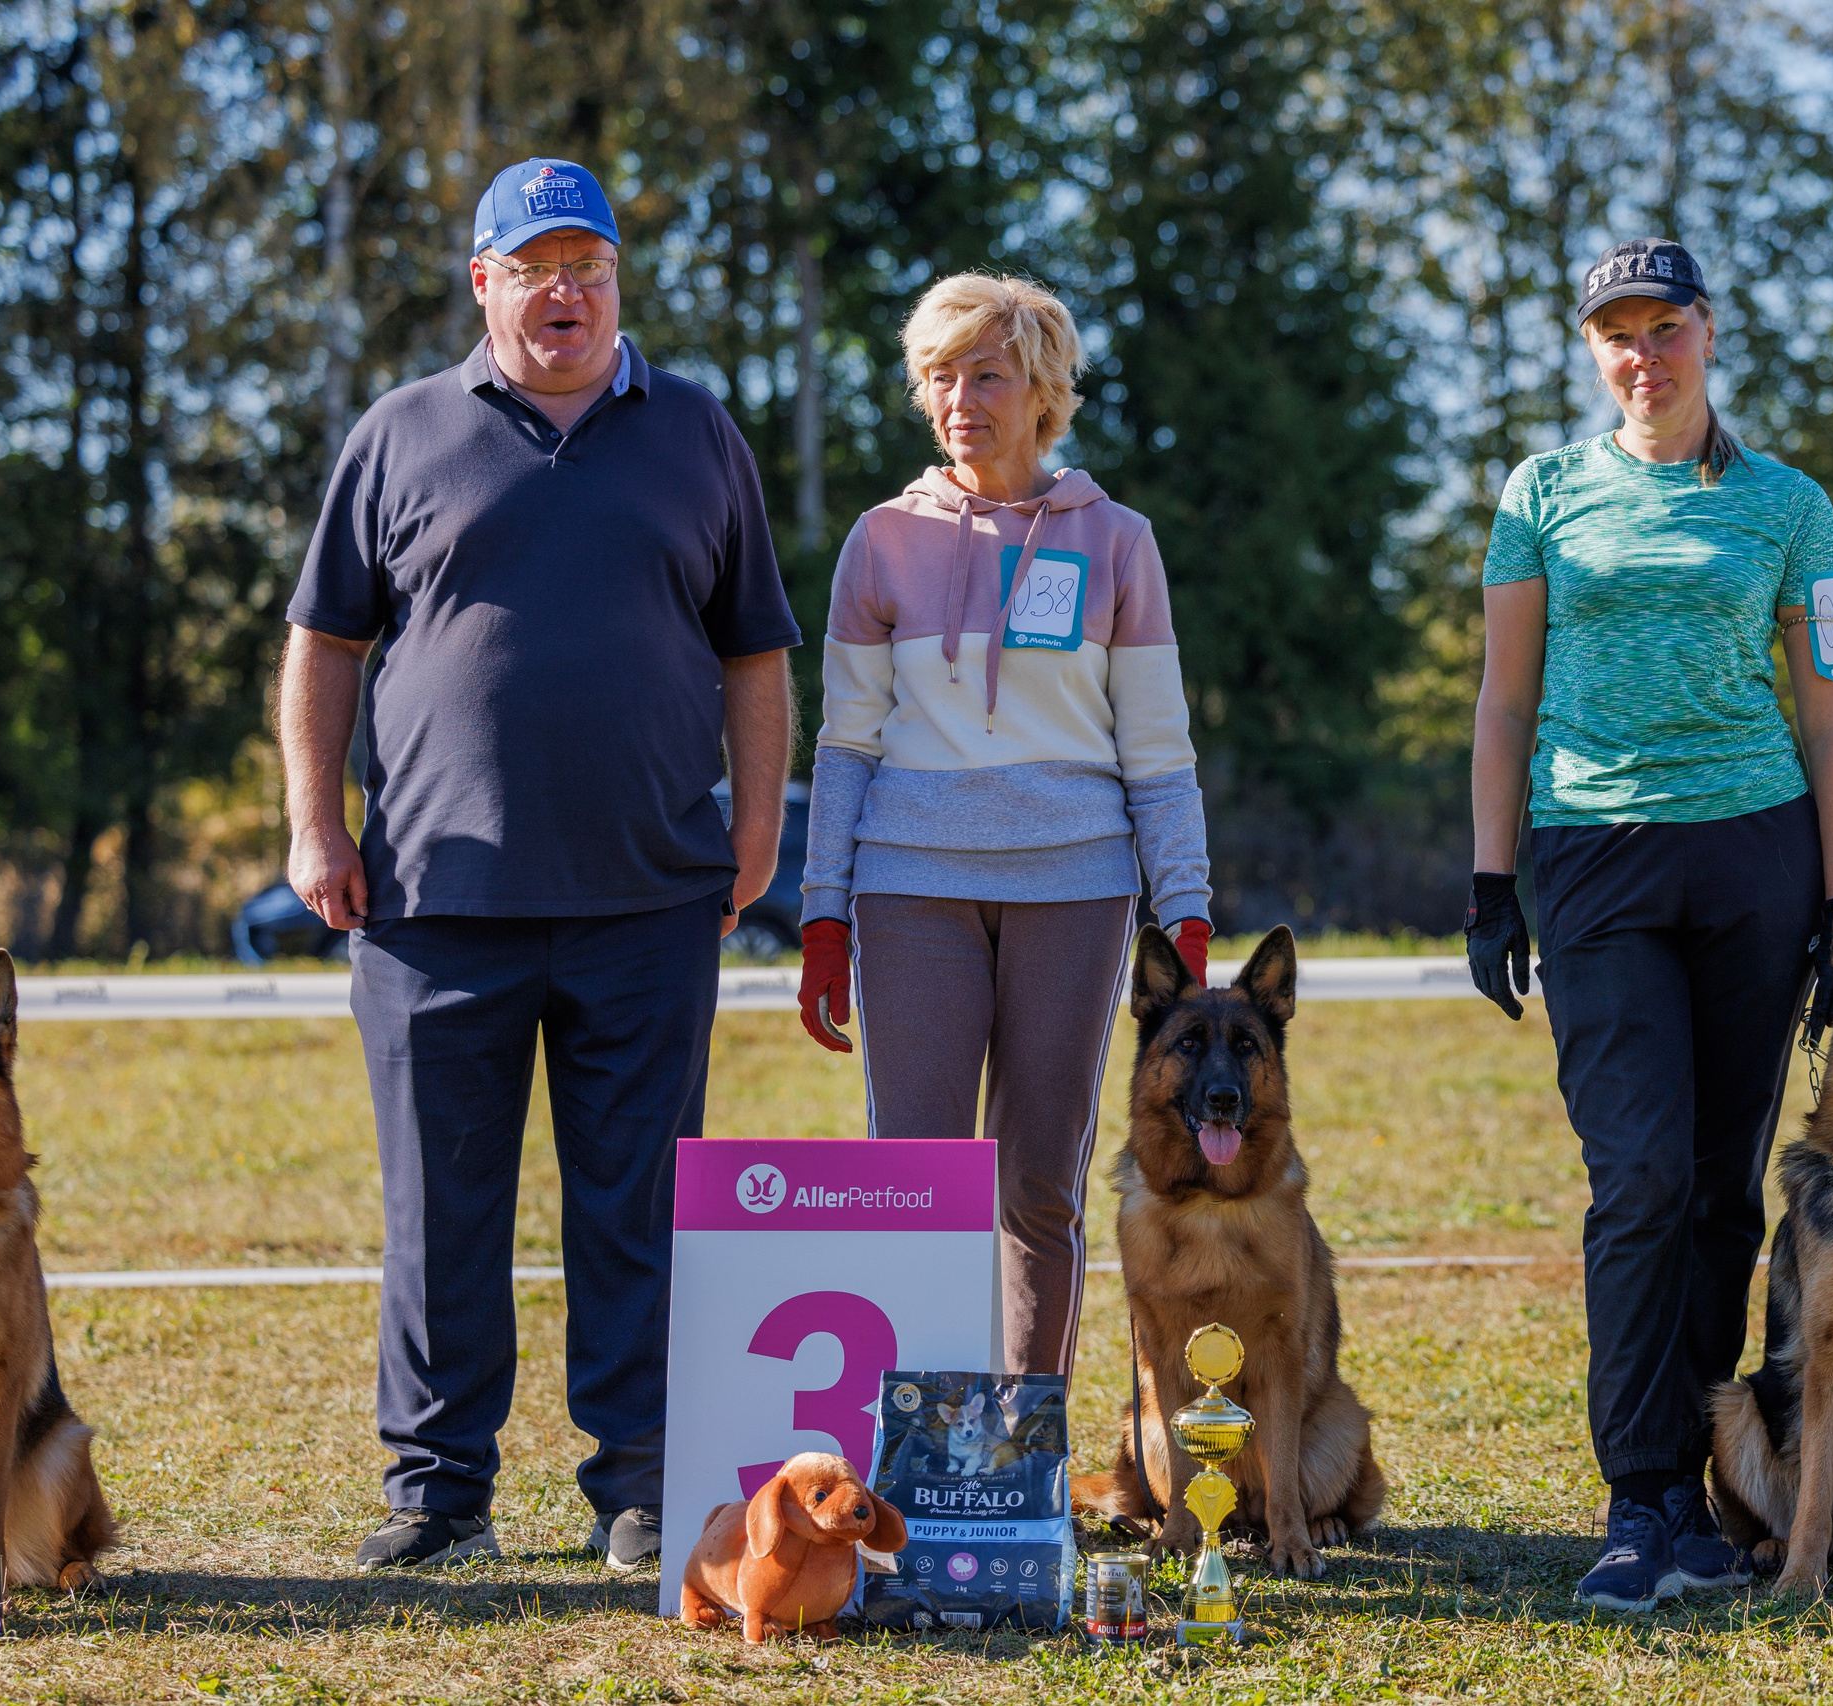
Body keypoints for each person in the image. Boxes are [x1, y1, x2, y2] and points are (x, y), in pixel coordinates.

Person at [280, 157, 800, 1575]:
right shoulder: (399, 433)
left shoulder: (698, 434)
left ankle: (638, 1483)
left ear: (619, 280)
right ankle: (440, 1490)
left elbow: (756, 646)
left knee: (635, 1209)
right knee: (441, 1217)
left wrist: (760, 825)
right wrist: (314, 820)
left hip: (650, 897)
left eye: (591, 265)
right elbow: (324, 640)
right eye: (536, 265)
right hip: (432, 901)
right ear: (484, 282)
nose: (565, 291)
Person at [1464, 238, 1833, 1612]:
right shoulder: (1544, 492)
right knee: (1635, 1177)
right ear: (1594, 351)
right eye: (1618, 334)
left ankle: (1712, 1485)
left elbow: (1829, 711)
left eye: (1667, 327)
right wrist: (1485, 877)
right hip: (1591, 858)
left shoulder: (1789, 505)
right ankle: (1640, 1497)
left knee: (1716, 1189)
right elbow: (1505, 700)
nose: (1645, 355)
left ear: (1710, 332)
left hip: (1756, 857)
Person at [794, 273, 1211, 1380]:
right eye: (938, 373)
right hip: (910, 884)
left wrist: (1188, 910)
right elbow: (845, 745)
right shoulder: (879, 540)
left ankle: (1021, 1456)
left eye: (987, 372)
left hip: (1074, 889)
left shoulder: (1118, 542)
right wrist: (823, 913)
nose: (958, 395)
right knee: (914, 1180)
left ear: (1043, 392)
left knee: (1038, 1183)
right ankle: (921, 1448)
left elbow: (1157, 752)